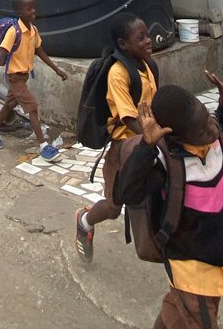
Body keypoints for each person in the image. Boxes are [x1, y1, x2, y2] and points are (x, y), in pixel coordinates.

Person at [114, 73, 223, 329]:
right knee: (201, 320)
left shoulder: (213, 138)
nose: (211, 129)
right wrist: (146, 147)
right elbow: (125, 194)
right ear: (177, 136)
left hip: (220, 248)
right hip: (188, 261)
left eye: (208, 118)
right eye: (202, 129)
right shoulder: (167, 163)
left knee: (180, 310)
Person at [75, 13, 156, 263]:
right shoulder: (118, 73)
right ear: (123, 44)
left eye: (147, 35)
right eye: (140, 38)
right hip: (123, 150)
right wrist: (156, 138)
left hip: (146, 145)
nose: (148, 41)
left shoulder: (149, 66)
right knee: (112, 207)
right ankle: (85, 221)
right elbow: (129, 118)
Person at [0, 0, 69, 162]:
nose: (33, 11)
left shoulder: (33, 31)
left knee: (9, 104)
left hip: (24, 77)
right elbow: (2, 55)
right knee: (32, 107)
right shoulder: (13, 32)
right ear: (19, 12)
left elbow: (40, 52)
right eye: (29, 9)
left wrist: (57, 70)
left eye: (34, 7)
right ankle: (43, 146)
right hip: (14, 77)